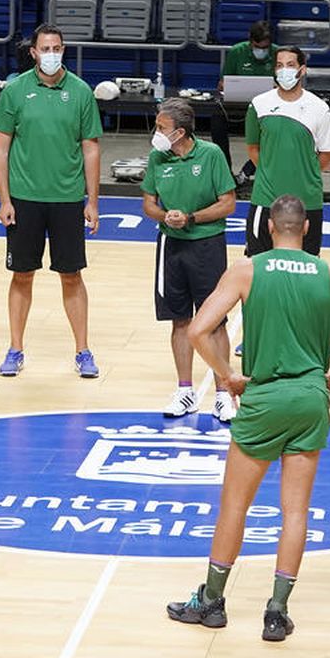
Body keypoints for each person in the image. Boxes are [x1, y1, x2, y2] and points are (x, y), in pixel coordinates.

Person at [166, 195, 330, 642]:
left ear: (269, 227)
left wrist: (228, 375)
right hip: (310, 399)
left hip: (264, 397)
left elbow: (196, 329)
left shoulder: (248, 270)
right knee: (295, 513)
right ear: (307, 230)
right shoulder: (329, 273)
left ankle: (211, 601)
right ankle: (276, 610)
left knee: (235, 506)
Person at [0, 25, 104, 378]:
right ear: (34, 52)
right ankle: (15, 348)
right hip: (24, 199)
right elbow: (0, 147)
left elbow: (91, 148)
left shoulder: (82, 92)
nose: (51, 53)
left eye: (57, 47)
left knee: (71, 275)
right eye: (45, 48)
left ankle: (83, 351)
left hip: (68, 199)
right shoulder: (15, 91)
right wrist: (4, 199)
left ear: (63, 49)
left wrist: (93, 201)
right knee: (22, 274)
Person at [143, 98, 238, 421]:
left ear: (180, 132)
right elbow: (148, 203)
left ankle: (224, 393)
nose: (156, 133)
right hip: (170, 246)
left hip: (207, 246)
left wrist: (192, 218)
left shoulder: (211, 155)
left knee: (215, 321)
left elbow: (228, 204)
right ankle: (185, 391)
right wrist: (164, 216)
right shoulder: (158, 157)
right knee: (179, 319)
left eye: (161, 128)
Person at [244, 46, 330, 257]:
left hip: (308, 201)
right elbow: (252, 148)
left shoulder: (319, 108)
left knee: (308, 265)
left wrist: (304, 173)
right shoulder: (259, 104)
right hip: (265, 200)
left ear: (302, 70)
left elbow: (327, 154)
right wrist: (271, 171)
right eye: (279, 65)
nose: (284, 70)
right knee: (258, 266)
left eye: (290, 65)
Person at [211, 20, 277, 174]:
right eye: (257, 47)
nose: (261, 50)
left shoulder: (278, 54)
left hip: (266, 111)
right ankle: (225, 171)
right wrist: (227, 85)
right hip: (237, 108)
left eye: (265, 48)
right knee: (216, 120)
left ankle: (247, 172)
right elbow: (221, 84)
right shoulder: (237, 51)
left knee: (277, 133)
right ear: (250, 41)